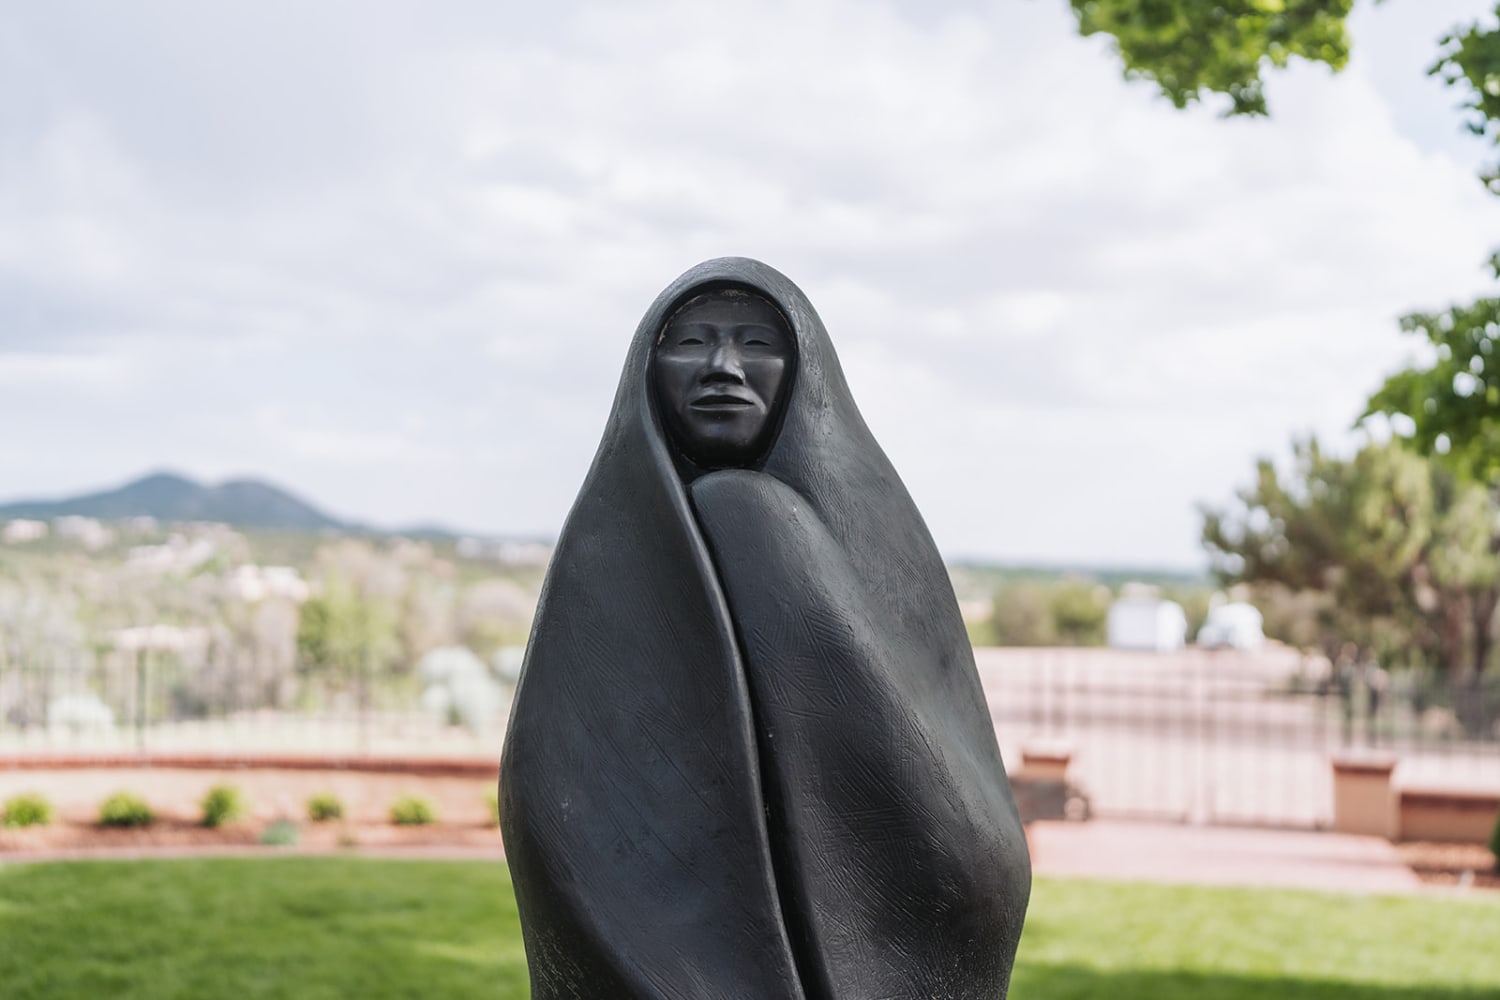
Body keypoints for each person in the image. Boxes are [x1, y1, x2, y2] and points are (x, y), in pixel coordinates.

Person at [500, 257, 1030, 999]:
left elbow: (937, 805)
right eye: (691, 342)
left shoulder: (806, 534)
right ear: (647, 372)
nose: (723, 366)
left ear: (804, 374)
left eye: (756, 343)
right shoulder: (606, 562)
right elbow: (561, 791)